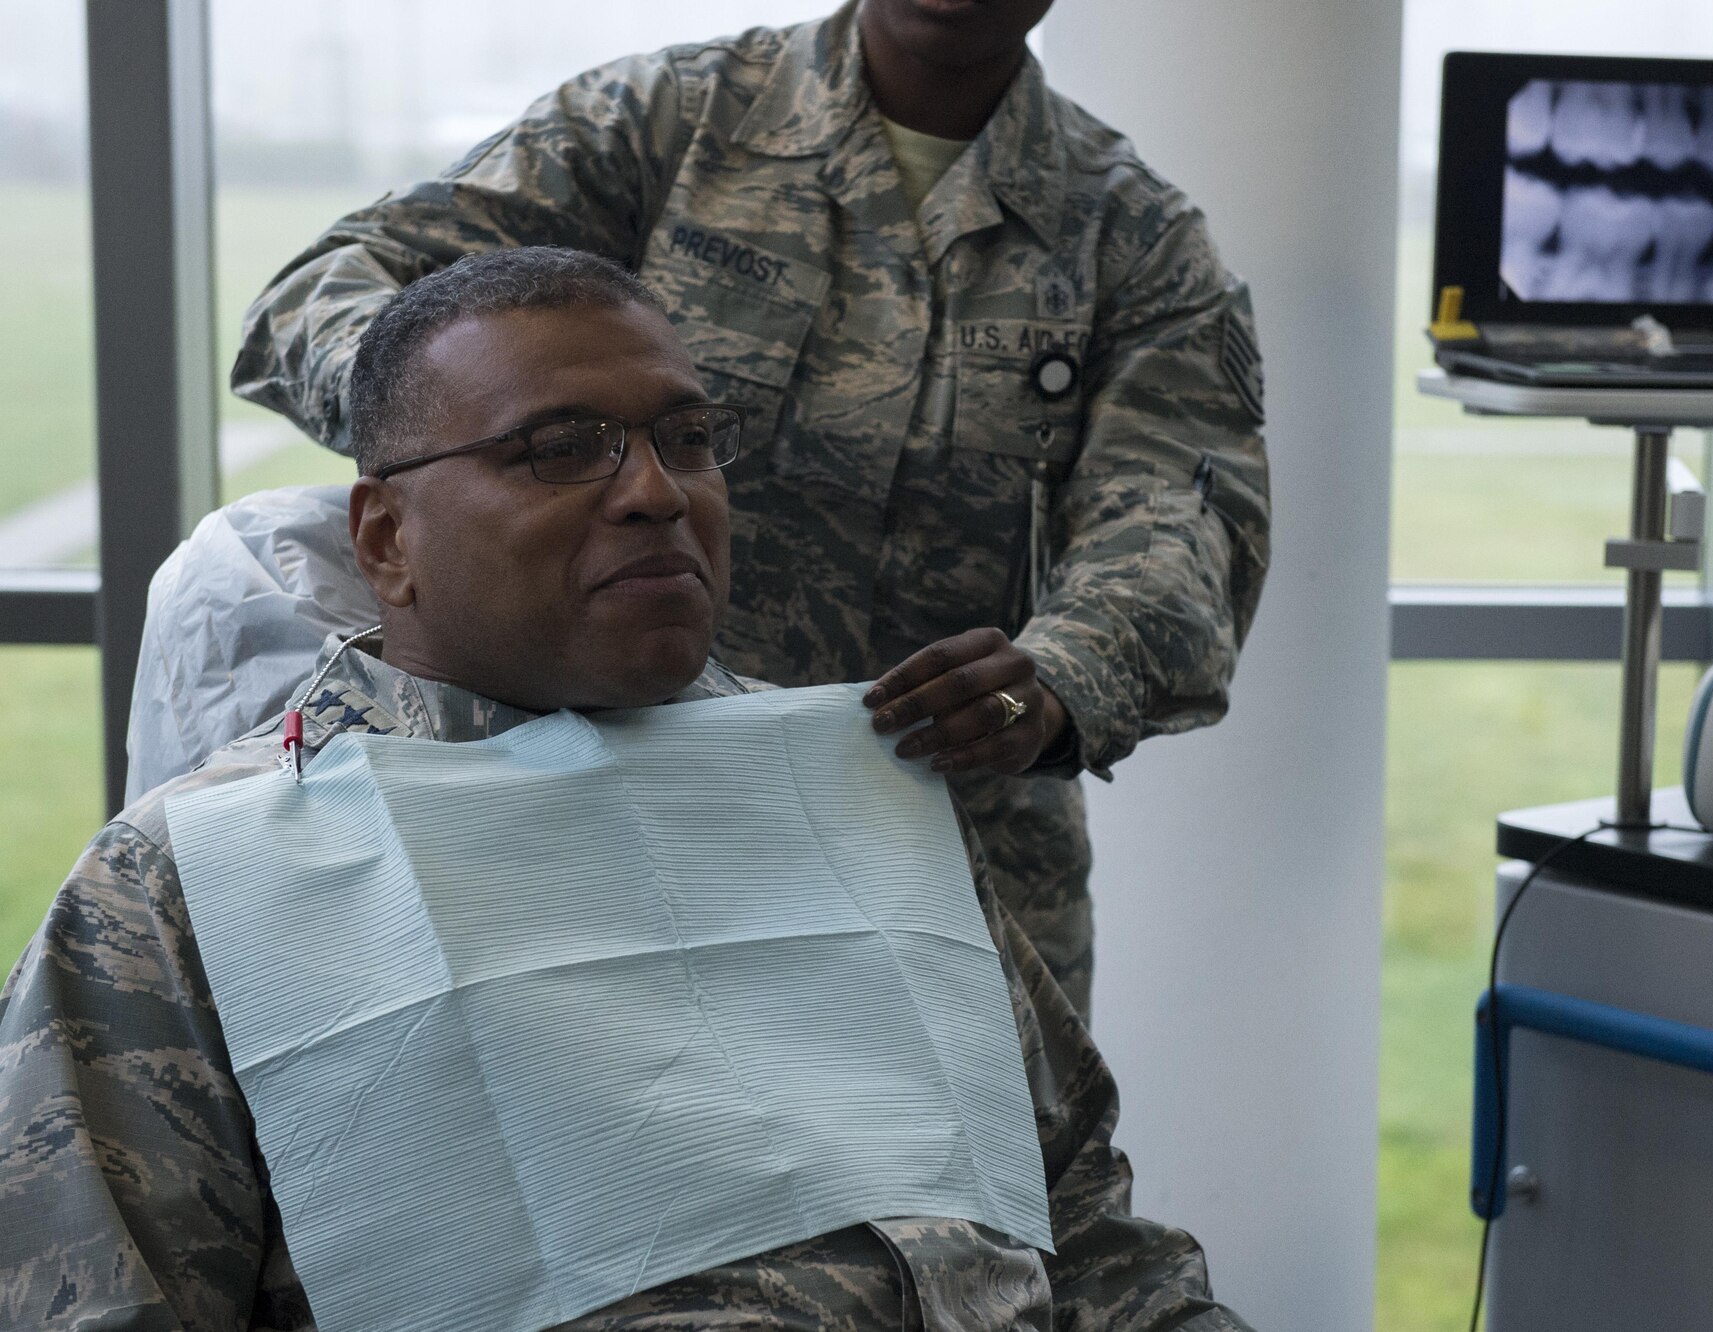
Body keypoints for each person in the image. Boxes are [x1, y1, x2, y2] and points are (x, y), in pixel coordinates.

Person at [0, 249, 1250, 1332]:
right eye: (563, 449)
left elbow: (1083, 1234)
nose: (657, 491)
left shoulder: (857, 793)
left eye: (687, 440)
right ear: (385, 539)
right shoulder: (202, 882)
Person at [230, 0, 1272, 1019]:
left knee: (987, 1186)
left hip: (945, 851)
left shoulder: (1132, 237)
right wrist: (475, 429)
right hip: (591, 806)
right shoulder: (666, 126)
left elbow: (1180, 520)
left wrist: (1056, 680)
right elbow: (322, 295)